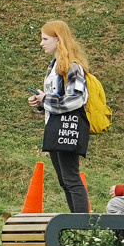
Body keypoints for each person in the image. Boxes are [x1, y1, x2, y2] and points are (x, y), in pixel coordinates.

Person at [26, 20, 92, 213]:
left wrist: (46, 99)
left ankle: (82, 223)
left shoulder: (72, 66)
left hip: (68, 128)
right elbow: (57, 99)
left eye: (45, 39)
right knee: (64, 180)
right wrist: (41, 104)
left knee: (71, 178)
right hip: (55, 126)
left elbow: (77, 98)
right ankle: (76, 221)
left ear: (58, 40)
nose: (41, 43)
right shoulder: (54, 65)